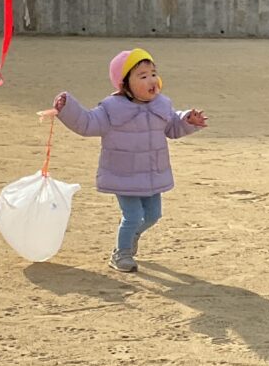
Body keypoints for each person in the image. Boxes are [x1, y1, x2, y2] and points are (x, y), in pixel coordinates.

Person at [52, 48, 208, 273]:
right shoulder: (111, 109)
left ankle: (131, 236)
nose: (151, 79)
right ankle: (121, 253)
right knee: (133, 215)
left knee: (154, 215)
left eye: (153, 73)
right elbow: (87, 124)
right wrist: (68, 108)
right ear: (124, 84)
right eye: (142, 76)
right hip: (123, 173)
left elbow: (172, 127)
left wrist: (188, 120)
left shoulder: (161, 104)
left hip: (152, 172)